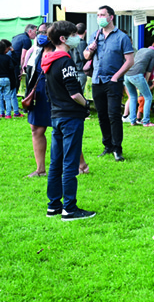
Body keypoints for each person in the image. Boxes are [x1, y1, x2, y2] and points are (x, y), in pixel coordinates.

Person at [42, 21, 95, 221]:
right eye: (73, 34)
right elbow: (74, 94)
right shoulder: (65, 61)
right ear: (63, 39)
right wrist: (86, 104)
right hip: (70, 117)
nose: (77, 37)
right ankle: (69, 209)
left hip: (56, 115)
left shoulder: (48, 60)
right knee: (70, 163)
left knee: (56, 162)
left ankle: (53, 205)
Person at [84, 5, 134, 162]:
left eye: (102, 15)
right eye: (98, 15)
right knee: (102, 115)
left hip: (113, 81)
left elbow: (130, 60)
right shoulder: (95, 35)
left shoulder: (122, 37)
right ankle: (107, 146)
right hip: (97, 80)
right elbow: (86, 56)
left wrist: (116, 76)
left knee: (114, 114)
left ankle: (117, 148)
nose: (100, 17)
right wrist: (90, 50)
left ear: (111, 17)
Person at [25, 24, 53, 177]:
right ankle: (40, 170)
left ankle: (81, 165)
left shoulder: (60, 52)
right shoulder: (38, 51)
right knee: (36, 129)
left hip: (55, 95)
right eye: (39, 32)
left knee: (63, 130)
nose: (41, 35)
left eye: (45, 33)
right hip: (39, 94)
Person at [124, 38, 154, 127]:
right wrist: (145, 81)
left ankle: (132, 121)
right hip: (137, 75)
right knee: (148, 97)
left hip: (127, 74)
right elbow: (150, 70)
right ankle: (146, 121)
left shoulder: (142, 50)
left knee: (133, 97)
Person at [11, 23, 37, 117]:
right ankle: (16, 108)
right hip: (15, 64)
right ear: (29, 31)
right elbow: (23, 56)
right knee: (15, 86)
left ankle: (7, 107)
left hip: (9, 64)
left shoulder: (17, 37)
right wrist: (22, 68)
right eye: (35, 31)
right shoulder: (27, 40)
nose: (36, 34)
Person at [0, 40, 15, 118]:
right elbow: (12, 67)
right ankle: (8, 114)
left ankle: (1, 113)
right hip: (6, 78)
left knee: (0, 97)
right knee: (7, 97)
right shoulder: (7, 57)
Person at [72, 23, 88, 91]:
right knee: (79, 92)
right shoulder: (82, 43)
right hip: (80, 70)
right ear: (85, 31)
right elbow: (84, 57)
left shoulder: (71, 42)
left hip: (73, 69)